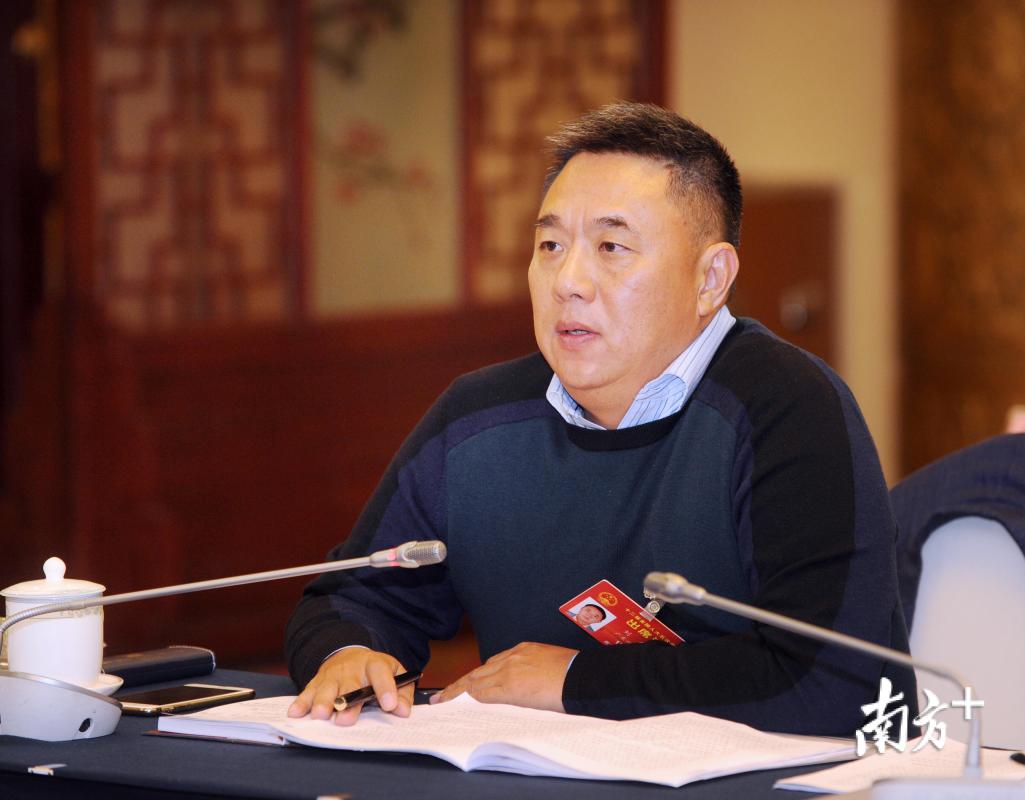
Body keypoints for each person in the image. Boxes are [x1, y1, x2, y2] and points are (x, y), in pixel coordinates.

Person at [285, 102, 916, 735]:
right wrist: (348, 653)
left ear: (710, 279)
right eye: (551, 245)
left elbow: (840, 683)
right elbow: (351, 598)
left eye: (612, 247)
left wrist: (574, 681)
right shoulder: (478, 419)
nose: (569, 280)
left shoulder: (786, 408)